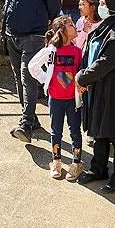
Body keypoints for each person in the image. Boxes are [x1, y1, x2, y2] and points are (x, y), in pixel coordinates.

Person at [0, 0, 62, 144]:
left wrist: (47, 23)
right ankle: (32, 119)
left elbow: (53, 2)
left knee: (28, 77)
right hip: (12, 34)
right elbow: (4, 0)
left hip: (34, 34)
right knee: (19, 78)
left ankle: (25, 124)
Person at [75, 0, 115, 192]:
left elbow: (106, 61)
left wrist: (83, 77)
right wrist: (84, 74)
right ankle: (98, 168)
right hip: (98, 86)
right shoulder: (105, 25)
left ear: (113, 7)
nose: (100, 7)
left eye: (102, 4)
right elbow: (89, 51)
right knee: (98, 128)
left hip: (113, 89)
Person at [29, 15, 84, 181]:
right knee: (56, 131)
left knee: (75, 131)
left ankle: (76, 162)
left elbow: (80, 73)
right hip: (56, 99)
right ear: (62, 30)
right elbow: (33, 66)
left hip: (73, 100)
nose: (74, 26)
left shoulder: (78, 51)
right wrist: (47, 80)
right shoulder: (51, 50)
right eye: (70, 24)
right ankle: (56, 161)